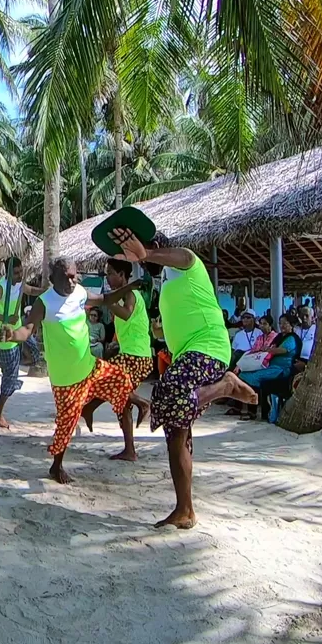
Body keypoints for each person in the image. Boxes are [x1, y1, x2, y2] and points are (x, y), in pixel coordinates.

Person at [108, 227, 256, 529]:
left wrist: (146, 252)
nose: (142, 256)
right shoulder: (165, 283)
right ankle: (185, 509)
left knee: (167, 393)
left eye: (147, 248)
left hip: (209, 348)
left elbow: (179, 257)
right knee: (176, 429)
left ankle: (225, 385)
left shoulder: (188, 262)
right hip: (187, 356)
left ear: (160, 247)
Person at [0, 257, 150, 484]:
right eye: (67, 276)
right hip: (65, 378)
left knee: (119, 378)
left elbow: (105, 299)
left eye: (74, 275)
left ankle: (139, 403)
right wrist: (12, 334)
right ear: (53, 279)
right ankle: (56, 467)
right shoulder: (44, 302)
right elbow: (27, 329)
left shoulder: (79, 291)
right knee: (66, 424)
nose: (73, 280)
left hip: (89, 366)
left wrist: (130, 286)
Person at [85, 258, 156, 461]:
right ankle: (129, 450)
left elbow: (126, 314)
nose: (107, 277)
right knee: (121, 401)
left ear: (122, 275)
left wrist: (107, 301)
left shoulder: (130, 294)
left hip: (136, 357)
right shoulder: (125, 294)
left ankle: (143, 404)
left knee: (101, 376)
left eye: (110, 273)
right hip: (131, 354)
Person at [0, 260, 43, 429]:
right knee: (11, 377)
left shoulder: (20, 284)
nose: (20, 275)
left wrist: (45, 292)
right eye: (16, 272)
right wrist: (6, 318)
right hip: (3, 336)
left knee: (35, 354)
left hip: (18, 331)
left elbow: (29, 289)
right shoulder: (0, 288)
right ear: (7, 273)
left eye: (21, 271)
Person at [237, 315, 300, 421]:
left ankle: (251, 409)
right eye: (280, 323)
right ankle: (248, 409)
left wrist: (267, 350)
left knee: (254, 378)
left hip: (281, 369)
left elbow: (281, 350)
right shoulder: (279, 337)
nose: (282, 325)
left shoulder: (292, 338)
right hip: (270, 366)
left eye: (285, 323)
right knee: (244, 375)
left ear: (291, 325)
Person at [294, 305, 316, 370]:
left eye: (307, 315)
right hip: (296, 359)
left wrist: (306, 365)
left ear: (312, 318)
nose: (304, 318)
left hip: (309, 362)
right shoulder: (296, 329)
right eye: (302, 315)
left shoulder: (317, 330)